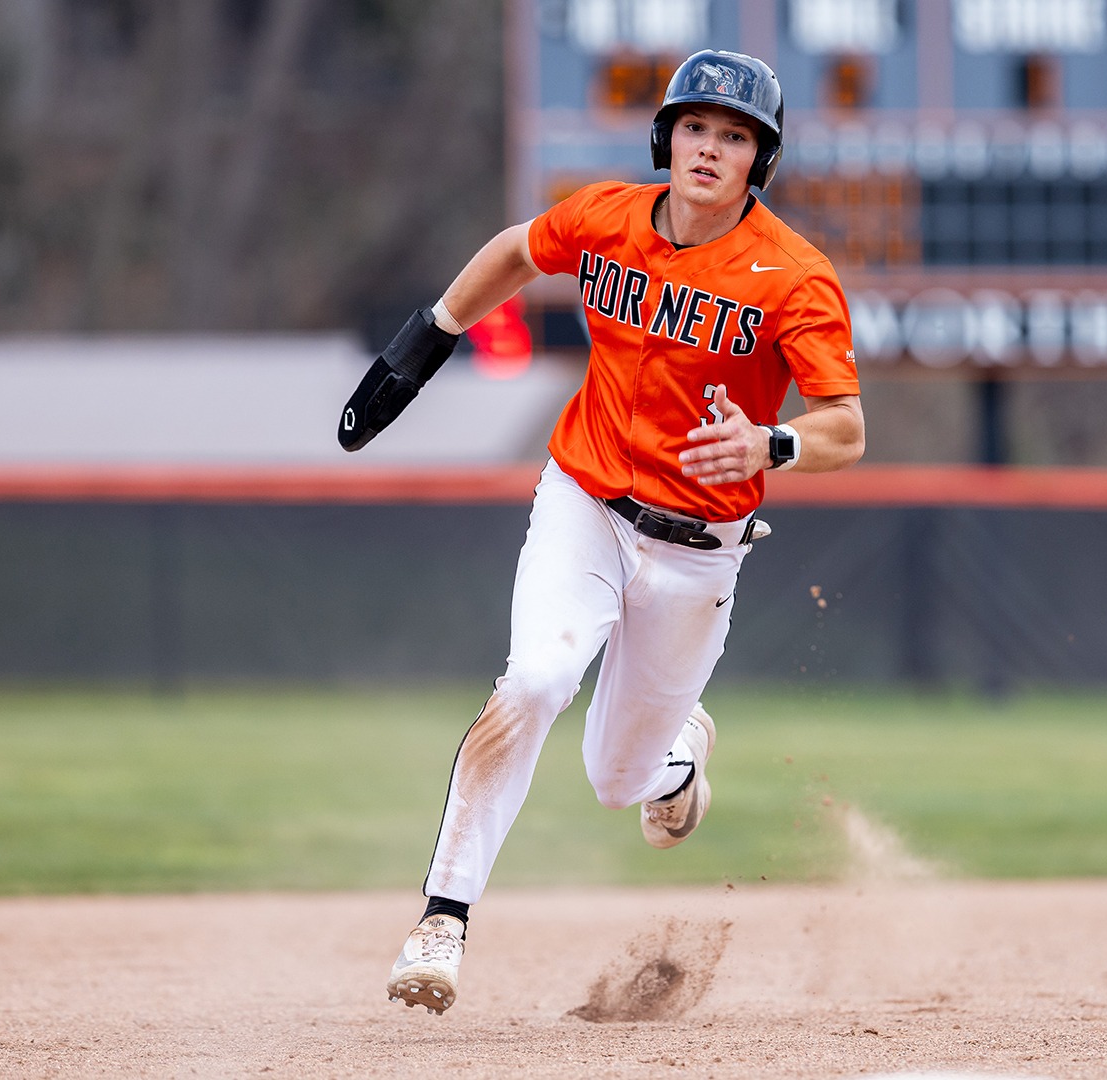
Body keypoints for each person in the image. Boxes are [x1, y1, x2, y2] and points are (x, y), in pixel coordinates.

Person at [358, 50, 864, 1015]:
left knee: (615, 782)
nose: (711, 148)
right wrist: (433, 332)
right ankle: (443, 920)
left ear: (761, 159)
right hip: (584, 500)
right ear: (667, 136)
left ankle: (676, 753)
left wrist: (776, 442)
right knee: (538, 678)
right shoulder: (608, 219)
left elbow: (847, 425)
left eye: (736, 136)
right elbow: (517, 248)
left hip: (697, 552)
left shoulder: (793, 275)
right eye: (697, 127)